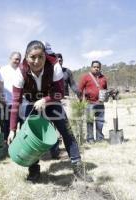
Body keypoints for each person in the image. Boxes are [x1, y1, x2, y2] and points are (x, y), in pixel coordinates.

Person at [7, 40, 93, 182]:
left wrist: (45, 100)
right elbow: (16, 102)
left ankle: (78, 169)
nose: (37, 61)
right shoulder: (20, 73)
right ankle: (34, 171)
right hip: (32, 104)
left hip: (53, 102)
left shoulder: (54, 66)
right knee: (30, 137)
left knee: (67, 132)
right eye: (32, 57)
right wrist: (12, 129)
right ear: (26, 57)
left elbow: (59, 92)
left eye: (41, 56)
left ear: (45, 56)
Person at [78, 60, 107, 144]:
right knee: (90, 122)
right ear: (91, 68)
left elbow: (105, 89)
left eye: (98, 67)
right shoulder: (86, 77)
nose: (96, 68)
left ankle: (99, 138)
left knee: (100, 121)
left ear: (100, 68)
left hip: (101, 104)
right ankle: (90, 139)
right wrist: (80, 101)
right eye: (94, 67)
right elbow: (80, 89)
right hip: (89, 103)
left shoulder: (103, 78)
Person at [0, 52, 21, 140]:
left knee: (19, 125)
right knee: (6, 125)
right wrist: (1, 98)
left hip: (19, 103)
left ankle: (17, 144)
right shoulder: (3, 70)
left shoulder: (21, 70)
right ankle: (5, 145)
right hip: (7, 102)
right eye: (16, 59)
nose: (17, 61)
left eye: (19, 59)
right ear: (10, 59)